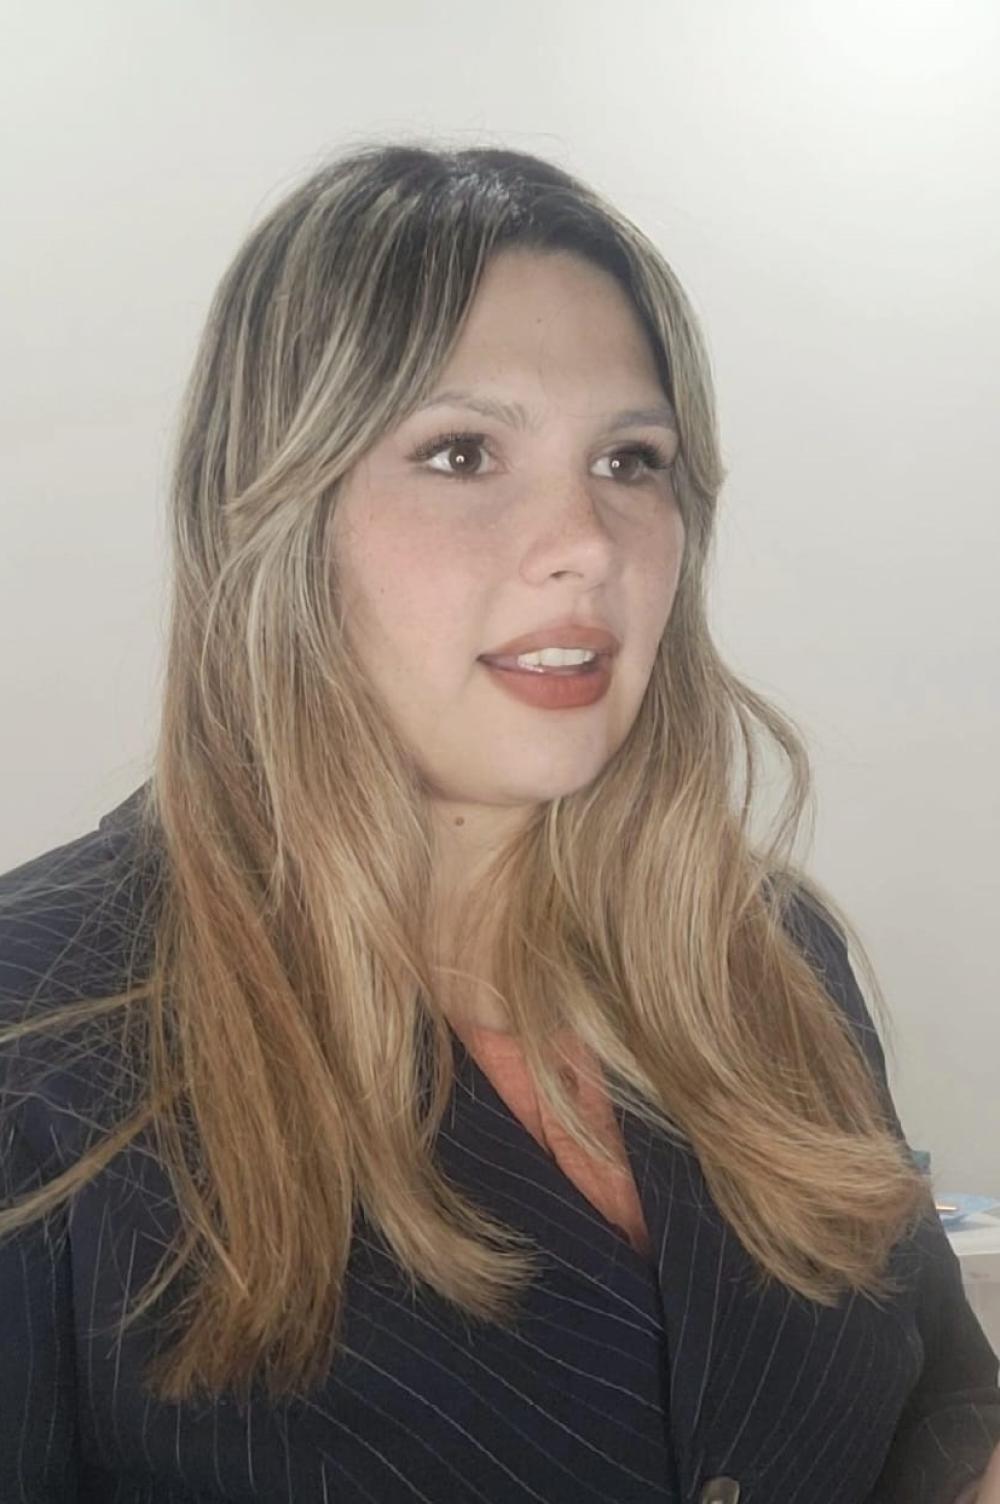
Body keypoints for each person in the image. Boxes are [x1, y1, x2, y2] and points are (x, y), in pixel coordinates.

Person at [1, 140, 997, 1504]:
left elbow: (937, 1403)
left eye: (631, 460)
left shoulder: (767, 957)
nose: (586, 540)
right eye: (462, 452)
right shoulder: (38, 1044)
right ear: (276, 512)